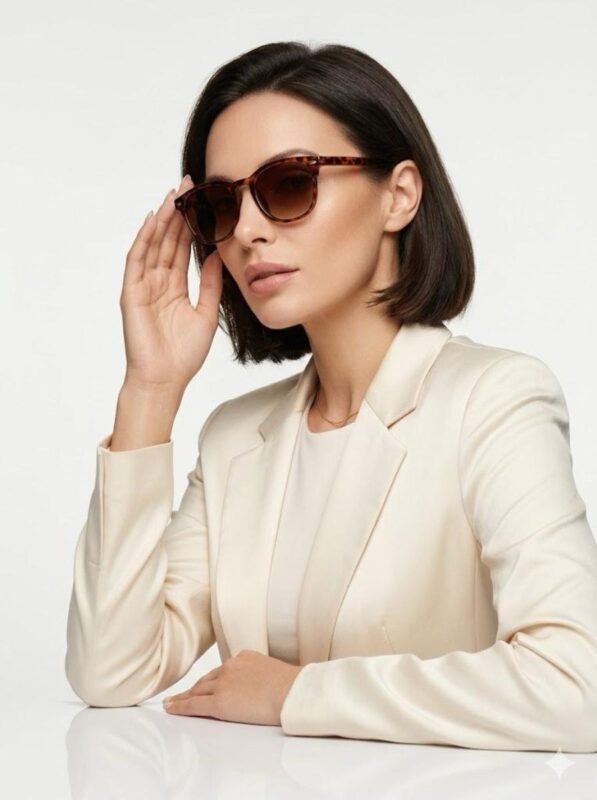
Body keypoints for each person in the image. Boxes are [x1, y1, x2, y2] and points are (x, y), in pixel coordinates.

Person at [64, 41, 597, 752]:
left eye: (289, 184)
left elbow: (576, 688)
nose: (246, 230)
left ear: (398, 195)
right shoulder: (236, 437)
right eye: (221, 204)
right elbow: (110, 670)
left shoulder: (493, 401)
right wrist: (150, 391)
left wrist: (296, 694)